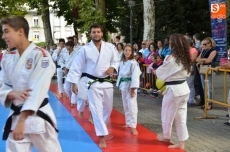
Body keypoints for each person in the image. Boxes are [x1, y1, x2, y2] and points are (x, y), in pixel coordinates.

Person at [0, 16, 62, 152]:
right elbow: (2, 84)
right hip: (16, 117)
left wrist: (23, 119)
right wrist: (10, 93)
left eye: (6, 31)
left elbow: (38, 88)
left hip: (38, 117)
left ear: (20, 31)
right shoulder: (8, 58)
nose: (3, 36)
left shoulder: (41, 55)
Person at [66, 23, 119, 148]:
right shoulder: (85, 49)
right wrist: (74, 83)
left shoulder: (110, 47)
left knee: (108, 108)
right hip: (92, 82)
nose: (96, 34)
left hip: (107, 81)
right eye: (94, 32)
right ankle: (101, 137)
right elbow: (76, 66)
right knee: (96, 109)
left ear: (102, 33)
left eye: (98, 32)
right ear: (90, 34)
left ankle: (102, 127)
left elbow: (116, 60)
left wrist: (112, 67)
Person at [156, 33, 191, 149]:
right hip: (184, 89)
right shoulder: (186, 58)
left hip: (174, 91)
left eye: (170, 43)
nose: (169, 45)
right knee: (181, 117)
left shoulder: (172, 59)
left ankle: (166, 136)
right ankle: (181, 143)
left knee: (167, 114)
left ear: (174, 45)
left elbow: (160, 73)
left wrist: (164, 63)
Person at [116, 45, 141, 135]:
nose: (127, 52)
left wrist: (133, 88)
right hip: (123, 84)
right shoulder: (122, 62)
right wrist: (119, 85)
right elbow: (120, 75)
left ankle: (134, 126)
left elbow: (135, 76)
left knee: (132, 105)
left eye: (129, 50)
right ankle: (128, 122)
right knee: (125, 104)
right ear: (123, 51)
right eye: (126, 50)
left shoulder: (133, 63)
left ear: (132, 52)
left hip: (130, 85)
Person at [63, 41, 78, 107]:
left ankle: (73, 102)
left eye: (67, 46)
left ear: (71, 47)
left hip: (74, 71)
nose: (66, 47)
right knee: (66, 88)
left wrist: (67, 68)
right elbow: (61, 60)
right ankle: (71, 97)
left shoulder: (76, 53)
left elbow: (72, 61)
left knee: (74, 86)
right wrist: (64, 67)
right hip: (67, 72)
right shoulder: (65, 53)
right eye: (66, 46)